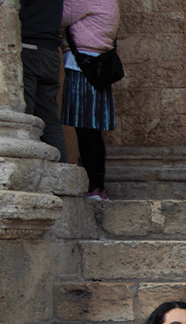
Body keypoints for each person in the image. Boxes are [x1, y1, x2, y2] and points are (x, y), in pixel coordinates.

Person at [61, 0, 119, 200]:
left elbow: (59, 17)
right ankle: (98, 186)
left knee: (86, 130)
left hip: (82, 67)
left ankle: (94, 186)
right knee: (92, 131)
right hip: (97, 66)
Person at [20, 0, 68, 162]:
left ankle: (24, 167)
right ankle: (62, 169)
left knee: (24, 114)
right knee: (50, 120)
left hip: (29, 47)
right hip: (51, 52)